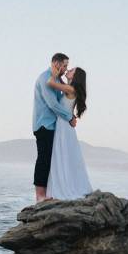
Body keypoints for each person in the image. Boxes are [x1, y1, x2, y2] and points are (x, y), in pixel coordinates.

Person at [32, 53, 76, 201]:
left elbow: (62, 100)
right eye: (64, 65)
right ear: (56, 63)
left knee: (50, 159)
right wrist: (70, 117)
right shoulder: (45, 78)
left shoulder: (57, 79)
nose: (65, 69)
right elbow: (53, 104)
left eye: (66, 66)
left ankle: (48, 192)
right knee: (43, 159)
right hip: (44, 124)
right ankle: (39, 196)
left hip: (52, 125)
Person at [45, 66, 92, 200]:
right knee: (64, 155)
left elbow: (50, 83)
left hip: (64, 126)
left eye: (71, 70)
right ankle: (66, 184)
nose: (68, 70)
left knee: (61, 155)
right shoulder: (70, 87)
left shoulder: (70, 89)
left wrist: (55, 72)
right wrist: (60, 75)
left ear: (75, 76)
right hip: (65, 125)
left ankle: (63, 187)